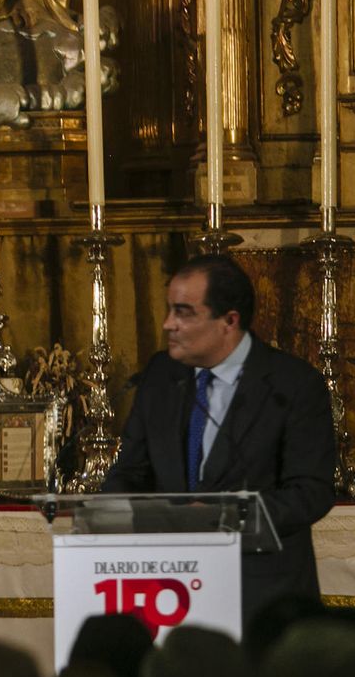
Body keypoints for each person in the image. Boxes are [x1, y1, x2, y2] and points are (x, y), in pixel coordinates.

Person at [103, 254, 336, 622]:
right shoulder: (161, 375)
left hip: (265, 599)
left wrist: (226, 517)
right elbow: (130, 472)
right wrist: (113, 515)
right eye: (169, 310)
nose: (168, 325)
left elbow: (311, 492)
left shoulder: (292, 384)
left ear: (229, 320)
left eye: (184, 312)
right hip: (169, 590)